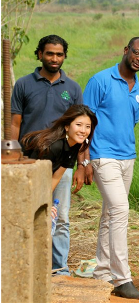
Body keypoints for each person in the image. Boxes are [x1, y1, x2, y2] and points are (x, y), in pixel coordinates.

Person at [10, 34, 85, 276]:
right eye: (50, 53)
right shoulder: (23, 84)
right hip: (29, 162)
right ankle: (25, 266)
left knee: (60, 216)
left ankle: (59, 268)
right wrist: (13, 155)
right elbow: (14, 122)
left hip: (62, 163)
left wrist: (82, 164)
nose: (55, 58)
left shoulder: (72, 88)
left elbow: (82, 127)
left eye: (59, 54)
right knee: (27, 213)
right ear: (40, 54)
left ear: (64, 56)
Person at [83, 37, 139, 299]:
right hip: (103, 156)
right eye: (136, 53)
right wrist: (85, 159)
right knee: (121, 210)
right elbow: (84, 121)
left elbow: (130, 123)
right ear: (126, 51)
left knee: (110, 215)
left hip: (127, 157)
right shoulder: (100, 80)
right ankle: (122, 278)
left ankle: (101, 272)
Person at [21, 105, 97, 191]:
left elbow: (56, 176)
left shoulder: (75, 144)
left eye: (88, 126)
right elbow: (34, 179)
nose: (83, 131)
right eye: (78, 125)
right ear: (67, 126)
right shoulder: (53, 146)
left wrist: (46, 200)